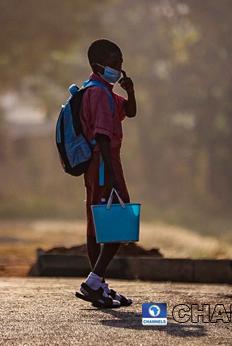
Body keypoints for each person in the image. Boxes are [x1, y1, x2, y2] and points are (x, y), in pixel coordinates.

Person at [75, 39, 137, 308]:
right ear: (96, 65)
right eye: (113, 64)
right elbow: (101, 136)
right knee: (118, 222)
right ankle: (93, 282)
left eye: (120, 64)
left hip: (98, 163)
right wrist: (110, 174)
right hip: (104, 161)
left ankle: (98, 284)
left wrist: (131, 91)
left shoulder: (104, 91)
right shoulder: (98, 93)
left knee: (96, 225)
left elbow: (130, 112)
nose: (118, 69)